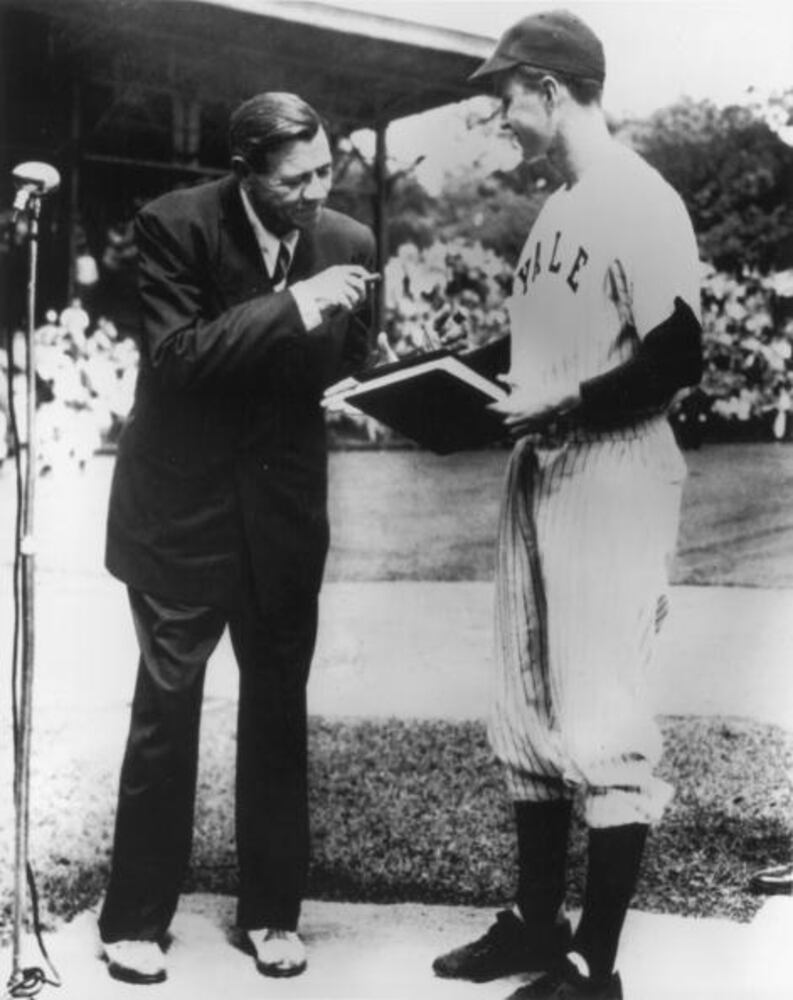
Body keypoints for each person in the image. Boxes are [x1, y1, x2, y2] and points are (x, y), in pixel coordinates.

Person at [432, 12, 703, 1000]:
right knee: (527, 707)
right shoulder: (557, 211)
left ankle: (593, 965)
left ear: (549, 89)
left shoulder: (640, 200)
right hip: (541, 464)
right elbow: (539, 353)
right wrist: (432, 394)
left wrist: (566, 402)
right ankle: (537, 925)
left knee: (601, 717)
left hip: (612, 467)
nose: (498, 117)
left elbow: (678, 354)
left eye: (505, 98)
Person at [98, 91, 376, 985]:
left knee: (277, 714)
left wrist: (381, 386)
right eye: (294, 180)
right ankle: (136, 920)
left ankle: (273, 915)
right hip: (181, 516)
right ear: (246, 171)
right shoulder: (172, 224)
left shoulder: (350, 244)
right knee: (166, 713)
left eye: (325, 171)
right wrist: (293, 305)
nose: (314, 193)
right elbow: (176, 361)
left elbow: (350, 361)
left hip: (283, 519)